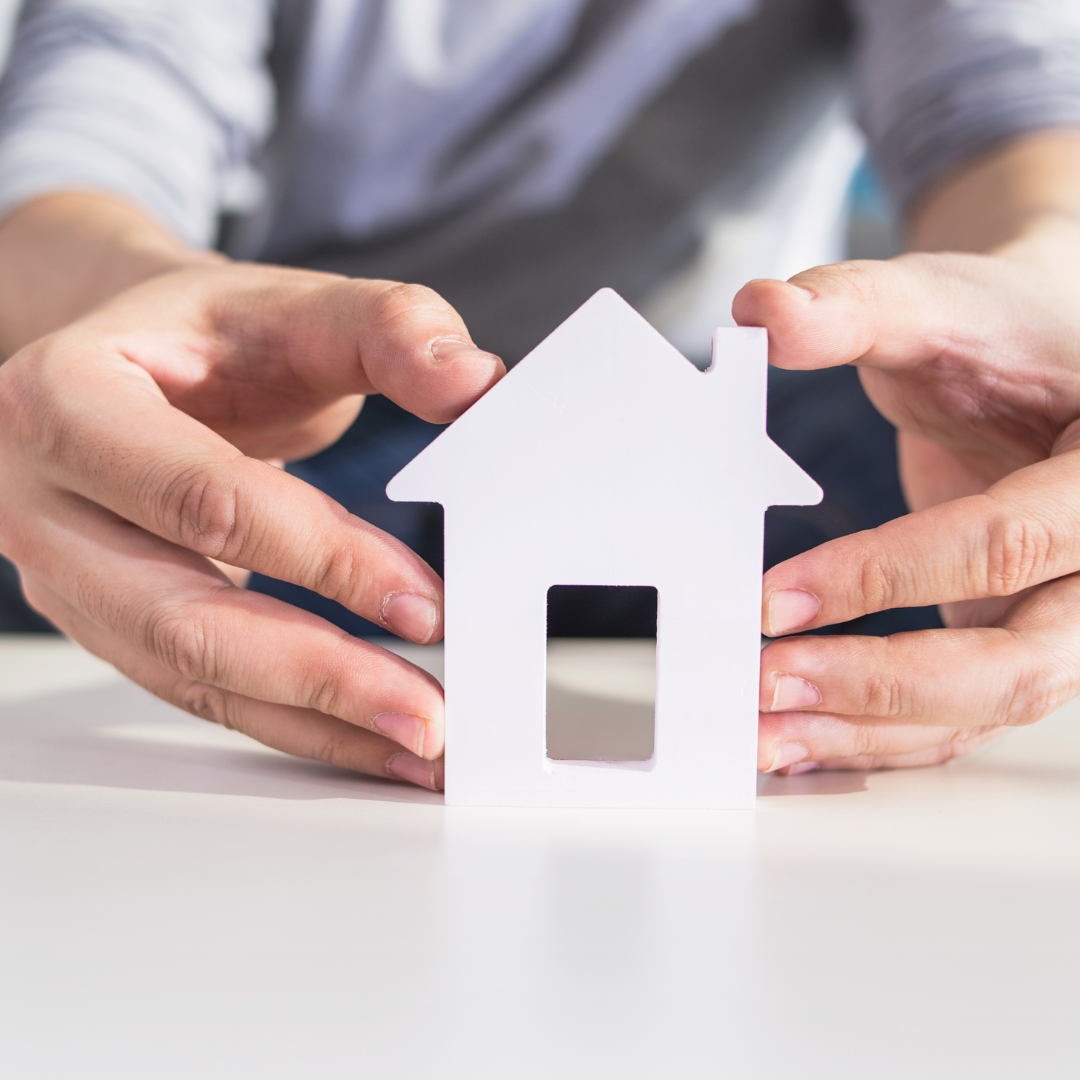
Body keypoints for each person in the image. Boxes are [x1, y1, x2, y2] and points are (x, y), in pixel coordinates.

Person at [0, 0, 1078, 790]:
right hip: (325, 402)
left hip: (725, 402)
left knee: (961, 510)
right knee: (96, 520)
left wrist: (1045, 284)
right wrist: (112, 311)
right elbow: (97, 116)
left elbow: (1005, 96)